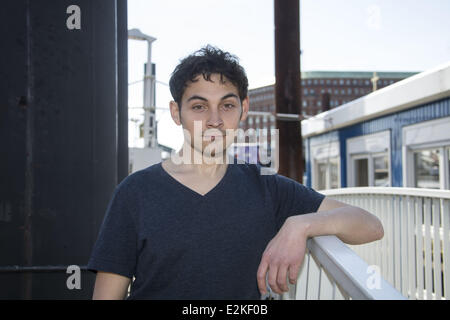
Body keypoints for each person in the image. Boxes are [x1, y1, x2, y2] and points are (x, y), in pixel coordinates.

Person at [87, 45, 384, 300]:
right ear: (176, 113)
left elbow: (370, 225)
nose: (215, 120)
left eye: (227, 105)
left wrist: (300, 225)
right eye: (200, 106)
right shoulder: (135, 192)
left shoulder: (267, 187)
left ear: (243, 109)